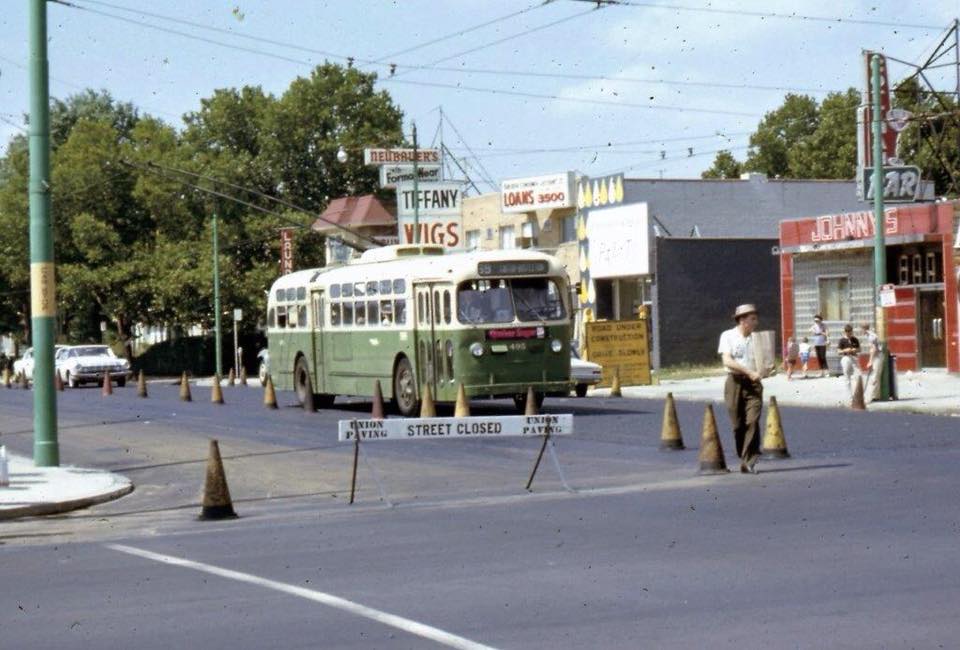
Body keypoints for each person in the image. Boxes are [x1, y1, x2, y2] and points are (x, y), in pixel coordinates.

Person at [718, 303, 764, 474]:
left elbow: (764, 361)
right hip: (734, 382)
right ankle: (743, 454)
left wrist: (766, 370)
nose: (756, 322)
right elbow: (727, 361)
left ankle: (749, 460)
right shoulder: (728, 336)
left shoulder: (757, 339)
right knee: (737, 425)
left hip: (753, 385)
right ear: (742, 320)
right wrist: (748, 371)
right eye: (752, 319)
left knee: (752, 421)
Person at [837, 324, 861, 394]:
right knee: (847, 376)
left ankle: (857, 394)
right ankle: (850, 396)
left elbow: (859, 349)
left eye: (850, 333)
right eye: (848, 333)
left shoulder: (855, 339)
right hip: (846, 357)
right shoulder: (842, 340)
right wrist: (845, 350)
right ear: (845, 332)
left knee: (858, 375)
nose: (849, 334)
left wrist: (855, 350)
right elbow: (838, 351)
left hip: (854, 357)